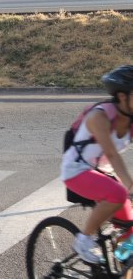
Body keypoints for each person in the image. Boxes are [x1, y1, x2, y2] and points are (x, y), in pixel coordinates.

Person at [62, 65, 133, 264]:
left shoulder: (130, 120)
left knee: (130, 227)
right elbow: (111, 153)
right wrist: (130, 186)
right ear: (122, 96)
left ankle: (121, 265)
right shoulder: (100, 116)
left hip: (103, 173)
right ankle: (83, 240)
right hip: (77, 171)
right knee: (119, 194)